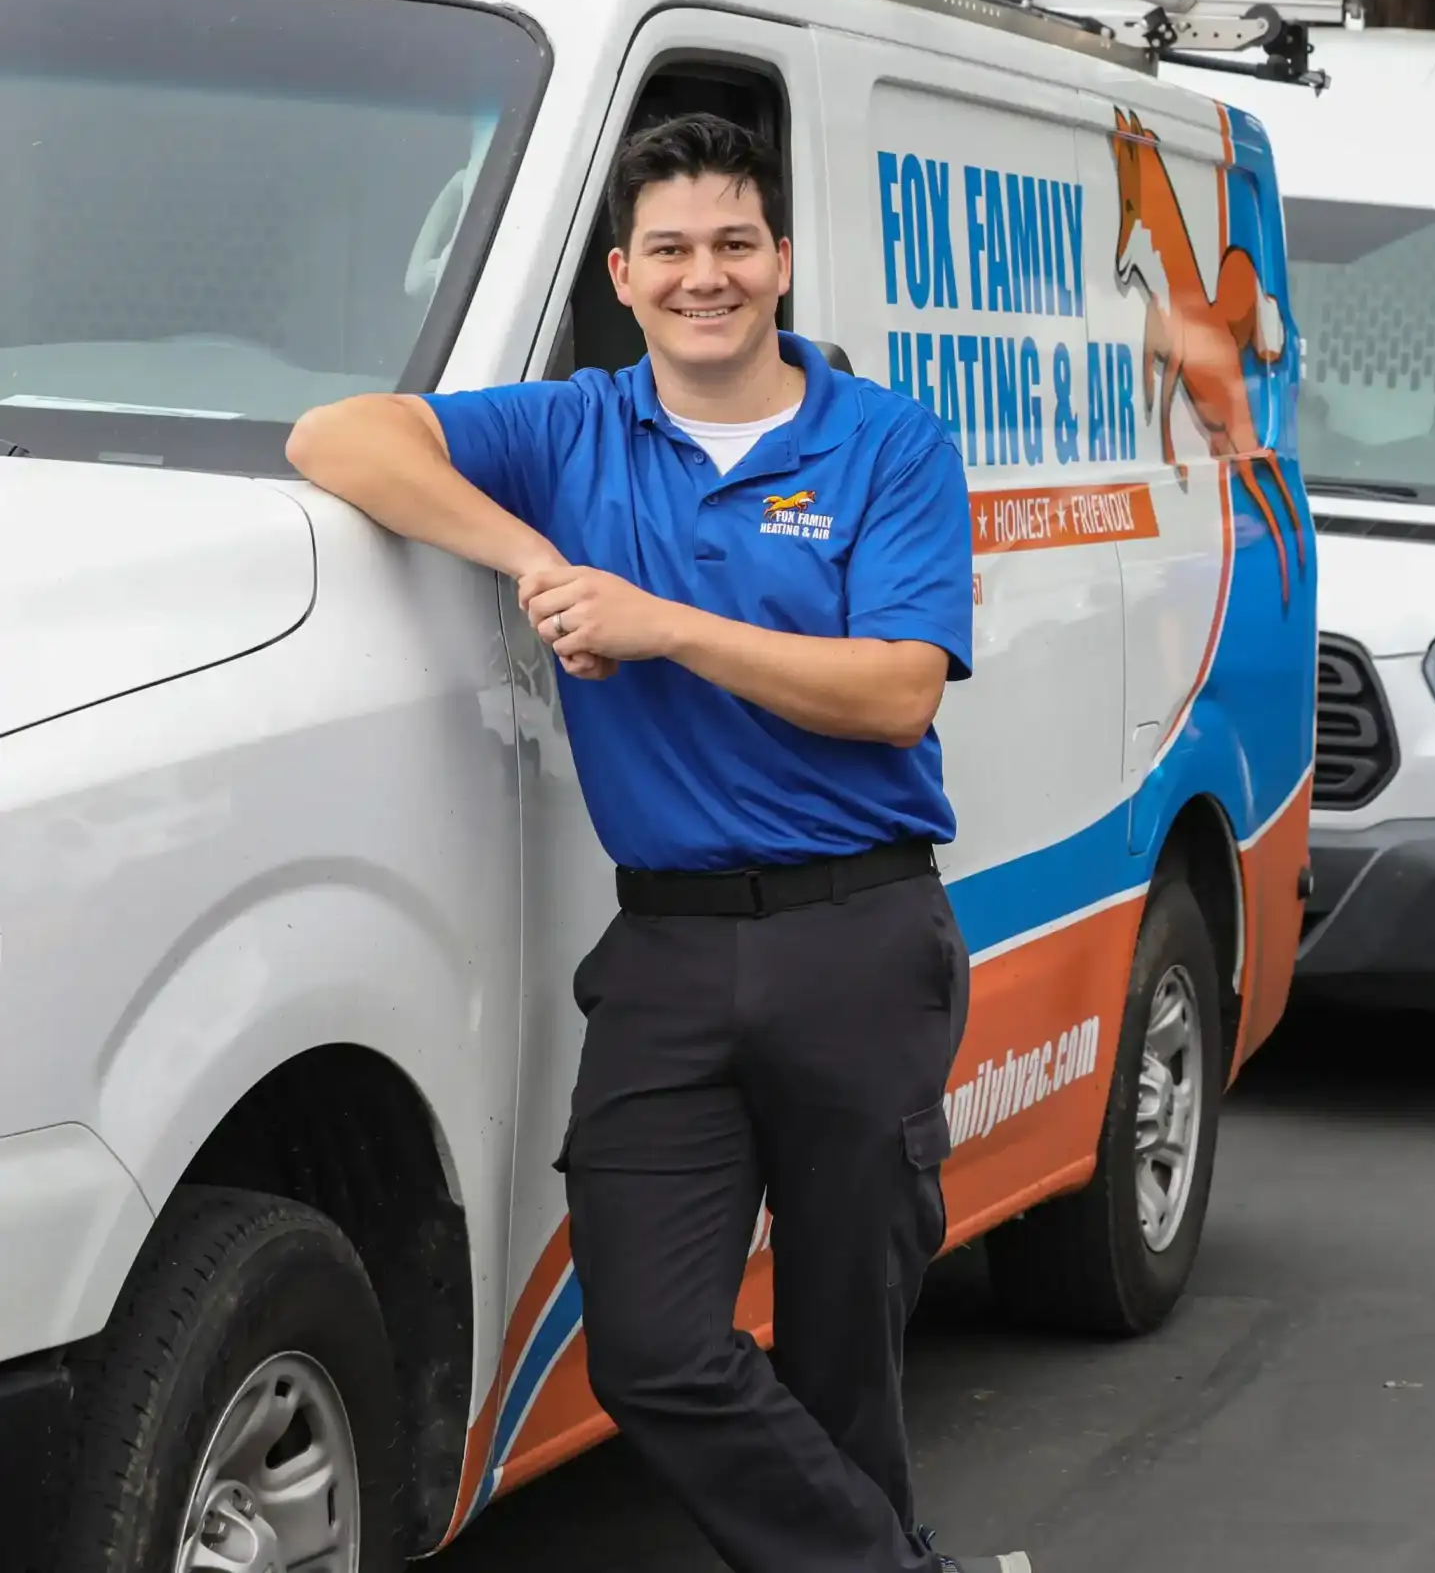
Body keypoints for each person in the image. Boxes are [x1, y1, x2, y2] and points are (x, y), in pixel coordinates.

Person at [285, 114, 1028, 1573]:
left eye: (736, 245)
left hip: (858, 940)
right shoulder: (574, 428)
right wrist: (538, 559)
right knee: (652, 1348)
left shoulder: (886, 441)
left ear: (783, 263)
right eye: (674, 249)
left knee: (843, 1361)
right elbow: (339, 436)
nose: (708, 276)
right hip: (670, 954)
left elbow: (894, 690)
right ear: (622, 274)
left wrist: (659, 622)